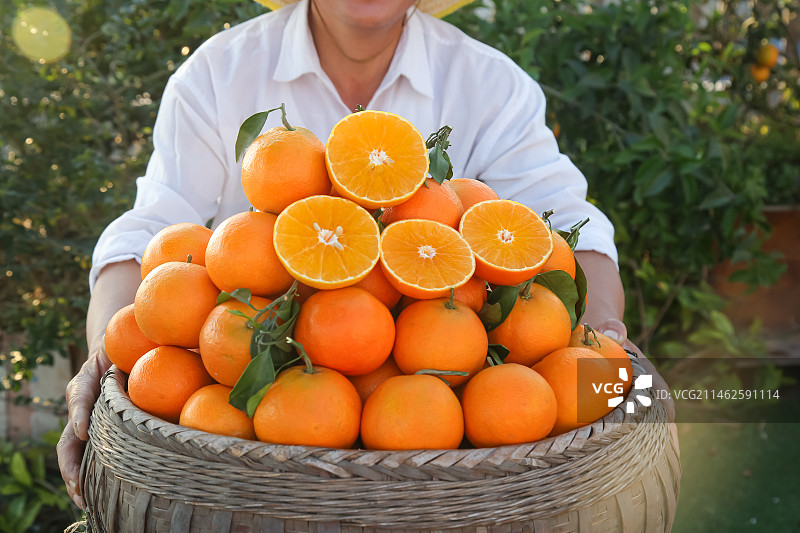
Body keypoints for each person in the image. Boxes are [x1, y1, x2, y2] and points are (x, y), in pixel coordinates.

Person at [57, 0, 675, 510]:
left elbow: (566, 224)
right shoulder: (219, 71)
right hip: (254, 438)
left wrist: (600, 339)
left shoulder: (489, 82)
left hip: (450, 474)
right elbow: (153, 231)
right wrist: (105, 349)